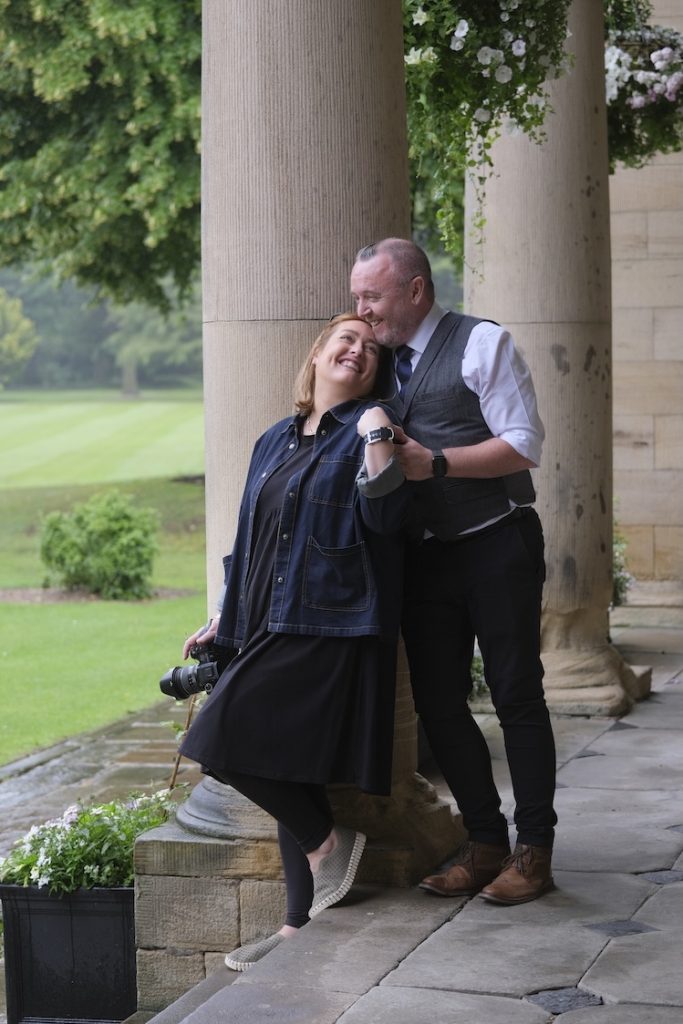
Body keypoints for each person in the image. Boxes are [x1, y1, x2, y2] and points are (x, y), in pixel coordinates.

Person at [178, 314, 410, 970]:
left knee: (216, 740)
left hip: (330, 620)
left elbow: (386, 516)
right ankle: (295, 925)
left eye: (369, 348)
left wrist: (377, 434)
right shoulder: (273, 440)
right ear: (315, 355)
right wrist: (227, 613)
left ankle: (325, 842)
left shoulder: (371, 430)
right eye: (345, 338)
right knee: (287, 766)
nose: (356, 350)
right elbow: (251, 535)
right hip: (265, 618)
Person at [350, 238, 557, 906]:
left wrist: (435, 462)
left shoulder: (480, 343)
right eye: (357, 296)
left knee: (515, 695)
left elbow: (523, 445)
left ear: (414, 291)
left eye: (371, 297)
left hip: (496, 545)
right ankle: (484, 841)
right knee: (439, 706)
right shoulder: (373, 362)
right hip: (424, 558)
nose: (361, 310)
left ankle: (534, 851)